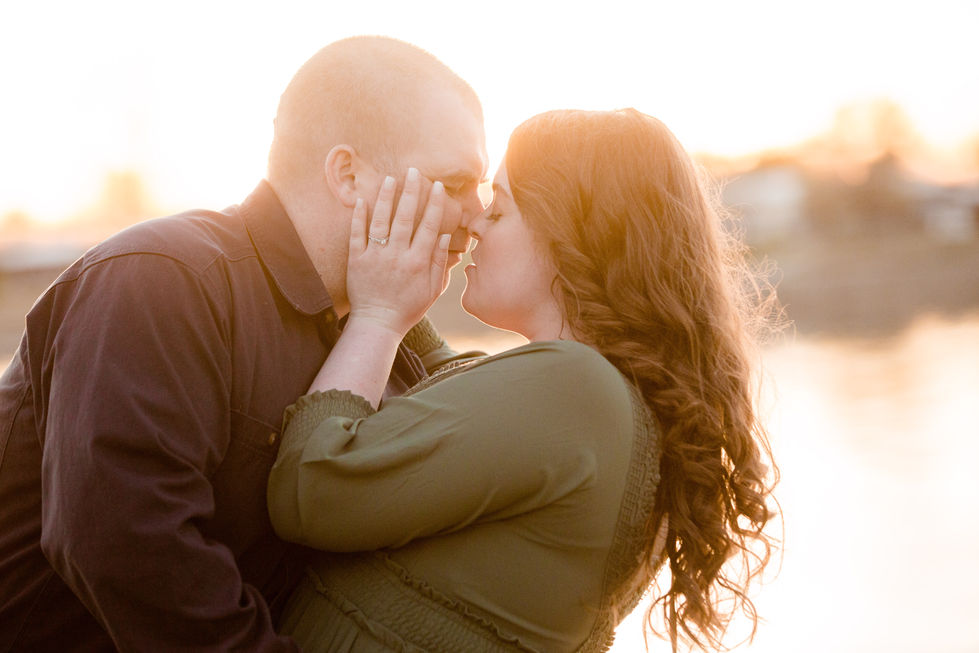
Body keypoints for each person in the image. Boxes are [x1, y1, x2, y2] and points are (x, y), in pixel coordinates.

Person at [0, 36, 487, 651]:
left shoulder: (382, 342)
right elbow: (123, 544)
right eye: (456, 182)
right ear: (349, 175)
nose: (477, 214)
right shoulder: (162, 278)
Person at [267, 108, 779, 652]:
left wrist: (376, 316)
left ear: (570, 232)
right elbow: (449, 382)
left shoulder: (577, 388)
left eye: (499, 209)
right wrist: (397, 284)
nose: (473, 224)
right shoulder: (609, 400)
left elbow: (311, 490)